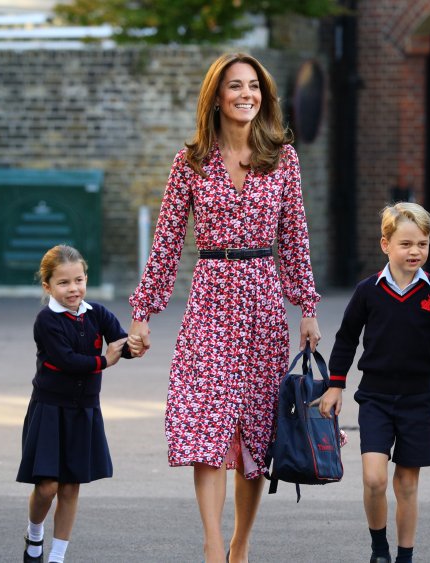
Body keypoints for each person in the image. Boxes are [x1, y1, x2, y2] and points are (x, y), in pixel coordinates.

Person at [125, 52, 321, 563]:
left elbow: (295, 239)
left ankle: (241, 544)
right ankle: (213, 545)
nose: (246, 95)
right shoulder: (189, 162)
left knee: (256, 433)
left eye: (253, 86)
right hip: (210, 300)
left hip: (261, 301)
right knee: (206, 422)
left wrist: (307, 306)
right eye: (235, 86)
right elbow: (166, 244)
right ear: (216, 95)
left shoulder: (283, 157)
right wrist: (143, 311)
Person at [317, 202, 430, 563]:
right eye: (406, 244)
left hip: (418, 400)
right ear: (386, 245)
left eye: (422, 244)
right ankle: (379, 549)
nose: (415, 251)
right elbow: (347, 338)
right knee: (375, 479)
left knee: (407, 485)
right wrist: (335, 385)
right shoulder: (368, 291)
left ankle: (405, 556)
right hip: (375, 399)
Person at [17, 244, 131, 563]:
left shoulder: (97, 313)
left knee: (70, 487)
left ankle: (56, 556)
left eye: (79, 280)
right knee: (47, 487)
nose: (73, 289)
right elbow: (67, 361)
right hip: (50, 409)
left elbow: (120, 341)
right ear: (48, 286)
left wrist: (135, 343)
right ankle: (35, 535)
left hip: (84, 410)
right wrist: (104, 361)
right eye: (64, 283)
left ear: (86, 279)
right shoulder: (47, 321)